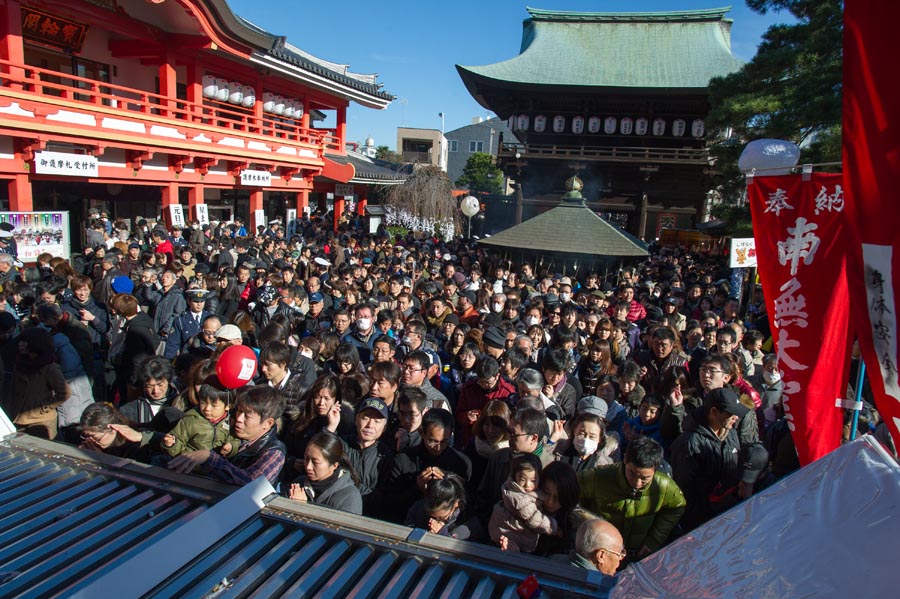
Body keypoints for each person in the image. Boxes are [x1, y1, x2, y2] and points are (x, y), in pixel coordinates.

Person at [669, 388, 765, 532]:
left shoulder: (731, 433)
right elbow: (684, 492)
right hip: (702, 523)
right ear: (714, 412)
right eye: (731, 414)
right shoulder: (689, 444)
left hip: (729, 514)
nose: (736, 418)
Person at [578, 436, 686, 560]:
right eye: (632, 473)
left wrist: (654, 540)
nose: (637, 482)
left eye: (645, 478)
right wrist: (588, 526)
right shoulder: (597, 478)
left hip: (639, 554)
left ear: (655, 469)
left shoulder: (664, 486)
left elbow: (676, 507)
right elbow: (573, 498)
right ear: (624, 459)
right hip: (601, 552)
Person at [168, 385, 287, 486]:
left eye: (247, 416)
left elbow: (252, 484)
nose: (239, 419)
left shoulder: (274, 452)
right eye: (239, 412)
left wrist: (210, 458)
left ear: (268, 423)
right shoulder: (227, 426)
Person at [5, 326, 69, 439]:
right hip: (18, 417)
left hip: (40, 421)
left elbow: (64, 393)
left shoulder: (50, 367)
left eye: (24, 342)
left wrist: (43, 408)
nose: (20, 344)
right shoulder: (20, 362)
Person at [489, 453, 558, 553]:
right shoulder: (520, 498)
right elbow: (534, 520)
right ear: (514, 476)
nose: (527, 485)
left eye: (533, 480)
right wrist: (553, 526)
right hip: (513, 537)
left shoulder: (522, 491)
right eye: (522, 479)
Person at [162, 375, 240, 460]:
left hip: (215, 465)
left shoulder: (230, 422)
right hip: (190, 464)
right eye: (203, 403)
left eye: (214, 405)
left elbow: (235, 440)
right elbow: (178, 439)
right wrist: (171, 444)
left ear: (227, 406)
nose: (207, 409)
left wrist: (231, 448)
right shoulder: (191, 420)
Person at [287, 431, 363, 515]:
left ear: (334, 465)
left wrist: (304, 509)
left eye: (316, 462)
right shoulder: (298, 484)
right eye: (306, 459)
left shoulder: (349, 497)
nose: (308, 467)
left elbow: (340, 527)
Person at [454, 356, 515, 449]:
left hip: (498, 444)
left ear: (497, 376)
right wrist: (467, 416)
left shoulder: (507, 393)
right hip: (471, 441)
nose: (484, 385)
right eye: (480, 382)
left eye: (488, 382)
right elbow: (458, 415)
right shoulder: (468, 389)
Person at [405, 472, 484, 541]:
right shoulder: (417, 509)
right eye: (429, 515)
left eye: (440, 517)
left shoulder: (469, 525)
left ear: (455, 504)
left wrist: (442, 534)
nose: (433, 521)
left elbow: (459, 552)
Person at [553, 412, 620, 472]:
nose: (586, 440)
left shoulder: (604, 466)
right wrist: (552, 440)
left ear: (599, 439)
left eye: (592, 436)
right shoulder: (557, 449)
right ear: (574, 431)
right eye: (582, 434)